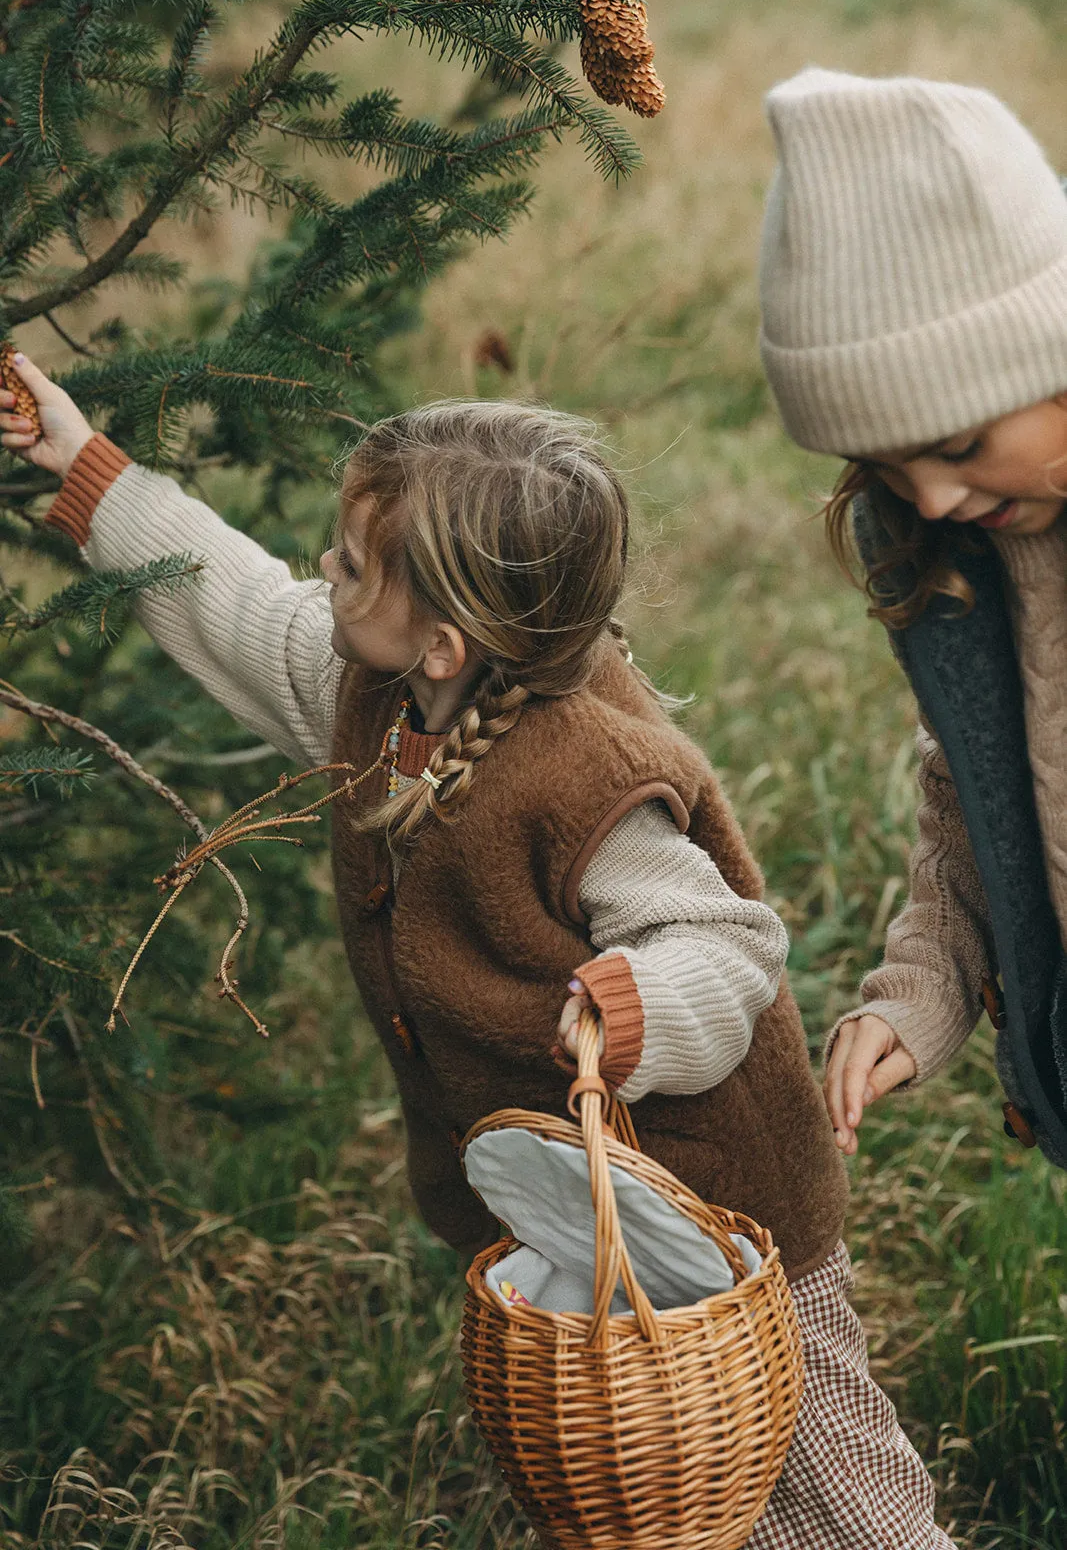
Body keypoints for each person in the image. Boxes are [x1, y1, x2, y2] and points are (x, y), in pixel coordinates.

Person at [7, 357, 952, 1545]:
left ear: (444, 641)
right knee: (632, 1478)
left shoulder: (583, 771)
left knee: (814, 1474)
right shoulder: (378, 686)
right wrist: (91, 475)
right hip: (570, 1198)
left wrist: (637, 1005)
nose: (323, 574)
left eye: (348, 565)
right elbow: (239, 603)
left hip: (720, 1212)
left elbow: (723, 942)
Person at [759, 66, 1067, 1166]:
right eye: (884, 466)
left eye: (955, 446)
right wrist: (921, 982)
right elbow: (977, 795)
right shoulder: (948, 550)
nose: (930, 498)